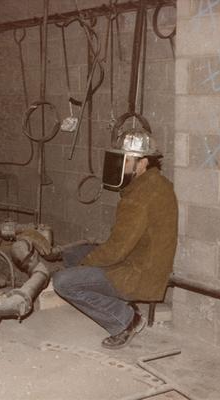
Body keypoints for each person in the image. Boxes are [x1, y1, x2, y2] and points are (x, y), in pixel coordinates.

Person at [53, 128, 178, 349]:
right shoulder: (155, 183)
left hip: (139, 272)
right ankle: (119, 304)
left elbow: (117, 249)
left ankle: (125, 320)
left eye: (125, 160)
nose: (121, 165)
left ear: (142, 163)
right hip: (144, 260)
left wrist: (86, 264)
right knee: (72, 254)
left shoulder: (141, 196)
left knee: (63, 282)